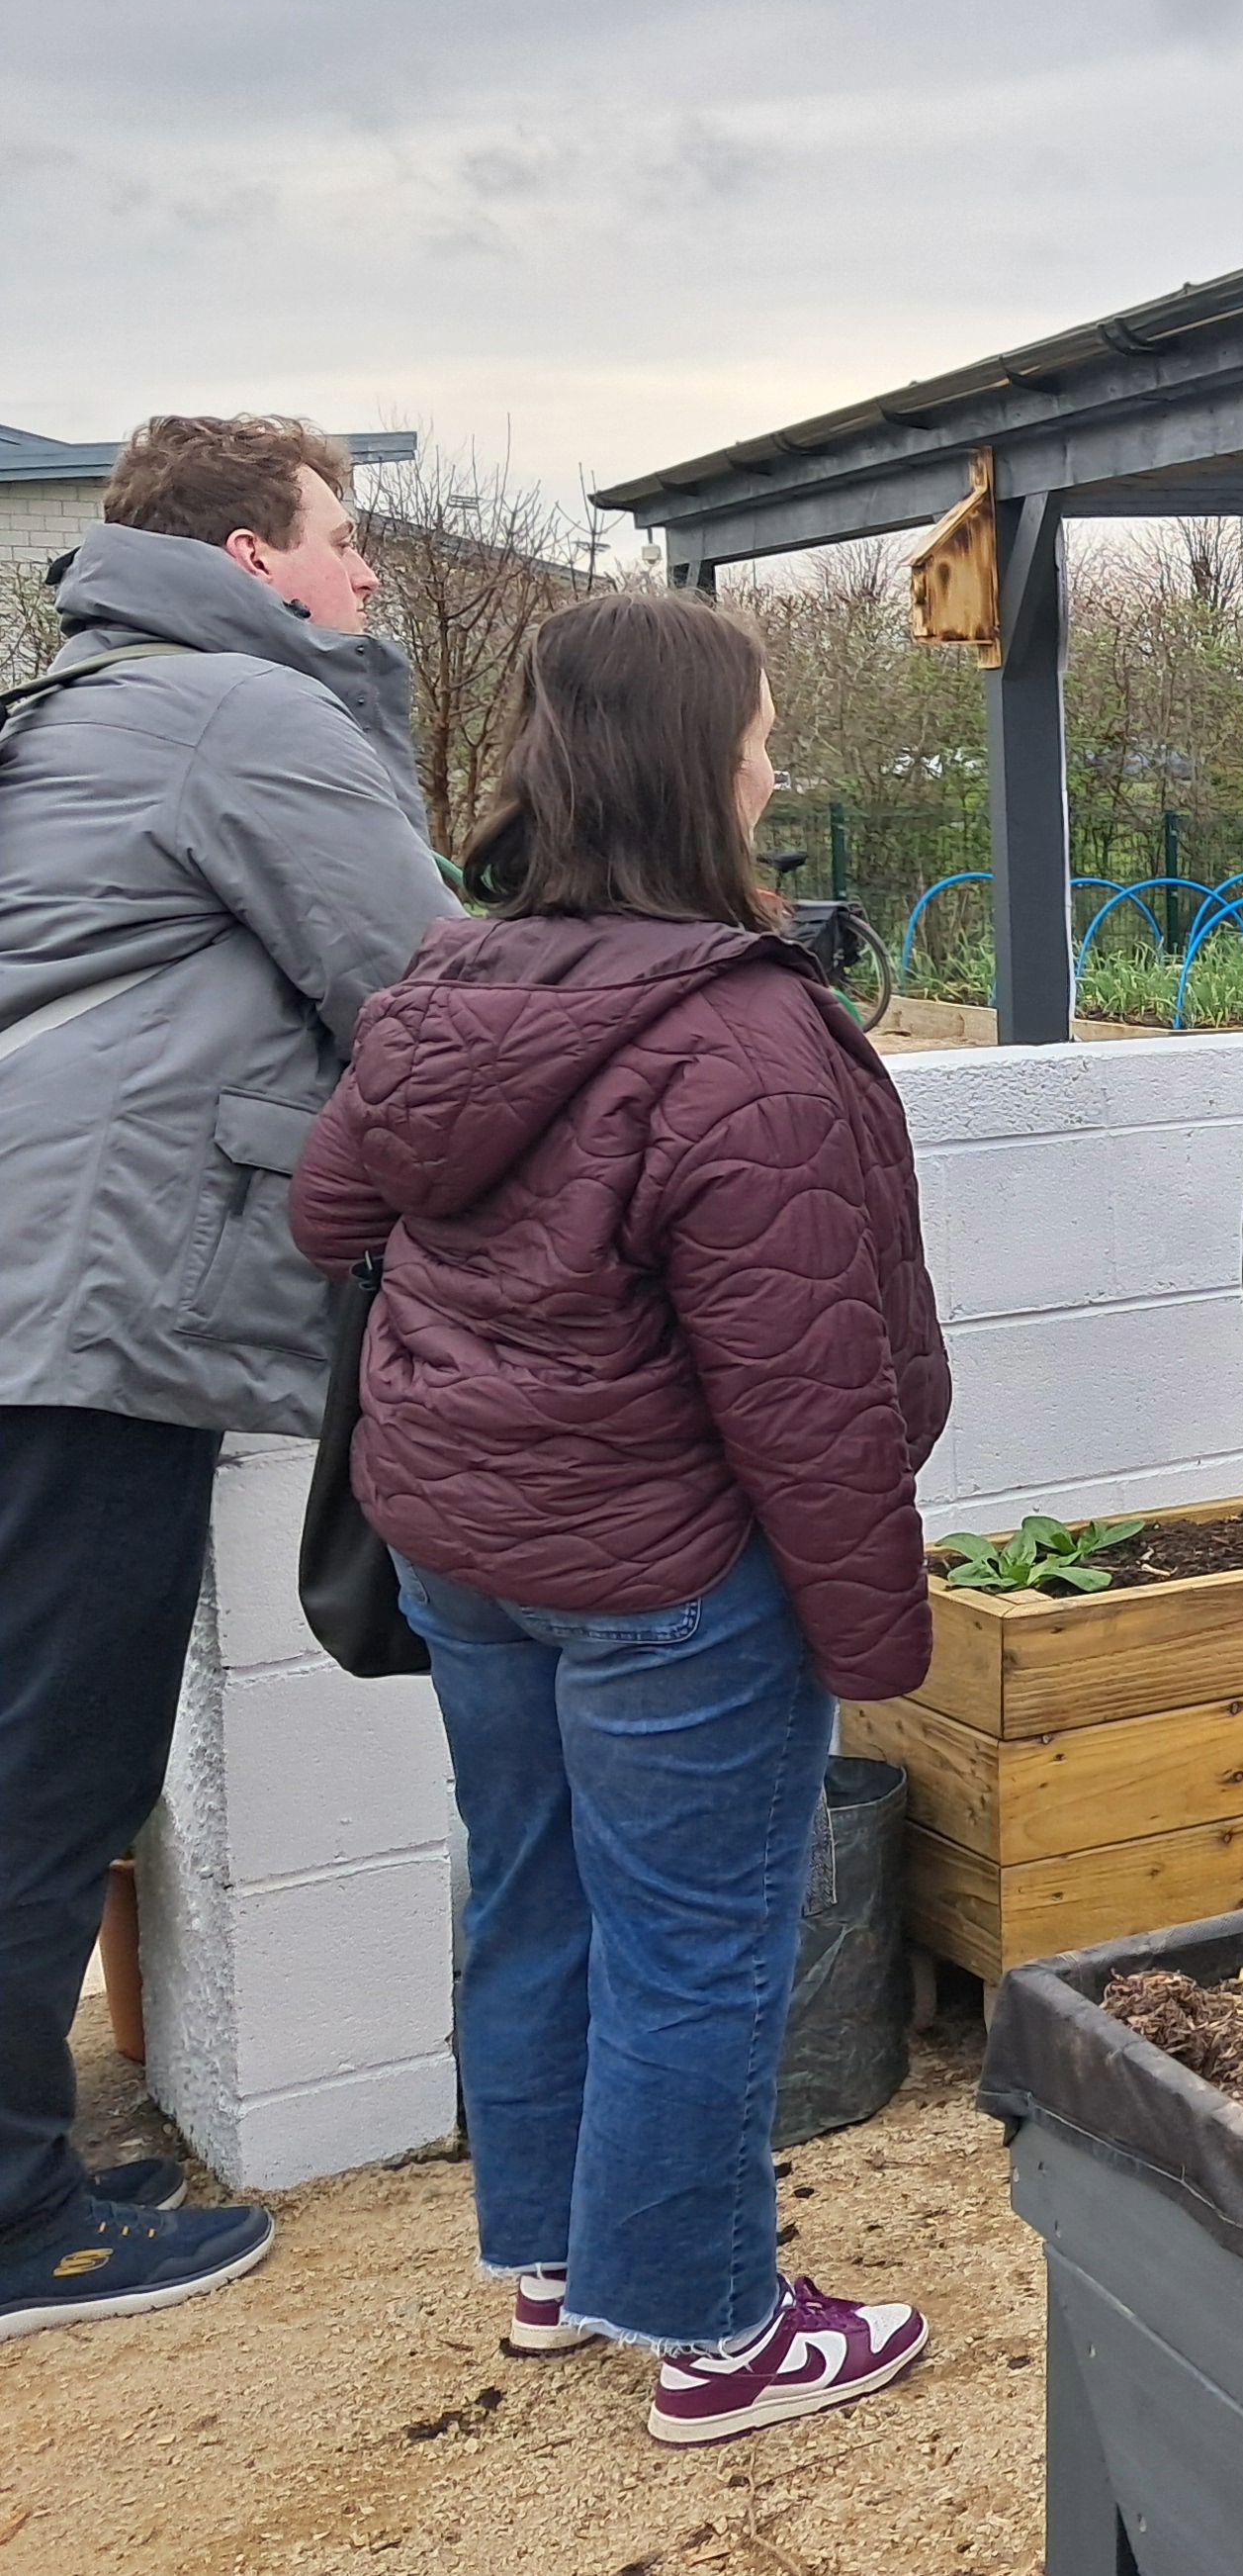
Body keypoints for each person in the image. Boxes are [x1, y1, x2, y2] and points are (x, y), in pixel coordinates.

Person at [291, 589, 948, 2441]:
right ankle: (719, 2329)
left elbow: (328, 1210)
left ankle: (563, 2265)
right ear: (691, 762)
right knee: (695, 1938)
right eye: (753, 732)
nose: (770, 763)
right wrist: (872, 1631)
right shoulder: (740, 1040)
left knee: (530, 1896)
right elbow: (810, 1396)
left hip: (467, 1543)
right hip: (668, 1569)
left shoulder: (453, 986)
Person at [0, 417, 456, 2341]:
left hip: (43, 1276)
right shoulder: (238, 715)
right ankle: (20, 2222)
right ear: (258, 558)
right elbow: (428, 994)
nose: (368, 582)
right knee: (52, 1759)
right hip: (93, 1308)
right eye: (346, 547)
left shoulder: (85, 699)